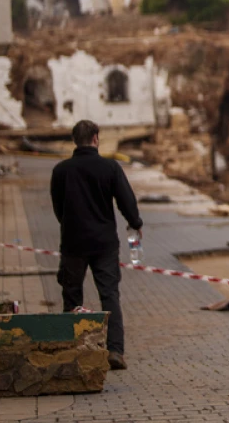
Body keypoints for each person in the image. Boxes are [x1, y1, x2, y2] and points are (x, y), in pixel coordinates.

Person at [50, 120, 143, 371]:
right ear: (96, 138)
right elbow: (126, 200)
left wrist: (69, 224)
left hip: (72, 243)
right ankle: (115, 350)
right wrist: (136, 223)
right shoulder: (109, 168)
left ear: (74, 140)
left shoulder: (61, 171)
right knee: (109, 295)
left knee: (72, 296)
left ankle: (73, 348)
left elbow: (58, 207)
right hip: (104, 243)